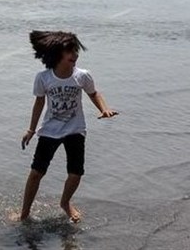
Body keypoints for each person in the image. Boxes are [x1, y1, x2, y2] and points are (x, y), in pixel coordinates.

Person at [19, 31, 118, 223]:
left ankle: (65, 203)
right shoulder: (43, 78)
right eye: (70, 51)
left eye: (76, 50)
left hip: (75, 129)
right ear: (58, 54)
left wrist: (104, 109)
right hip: (49, 131)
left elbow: (94, 93)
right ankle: (24, 213)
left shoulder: (82, 76)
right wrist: (31, 130)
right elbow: (39, 103)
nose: (75, 55)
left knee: (76, 173)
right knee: (36, 173)